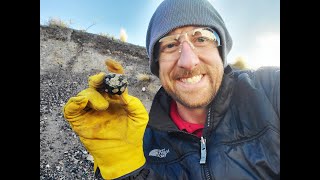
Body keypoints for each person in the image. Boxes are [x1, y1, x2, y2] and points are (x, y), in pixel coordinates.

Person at [63, 0, 280, 179]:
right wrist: (126, 169)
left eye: (201, 38)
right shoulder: (139, 142)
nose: (188, 61)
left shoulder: (270, 91)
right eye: (169, 45)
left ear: (221, 51)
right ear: (157, 65)